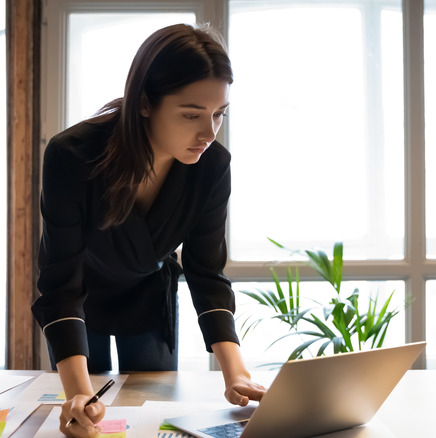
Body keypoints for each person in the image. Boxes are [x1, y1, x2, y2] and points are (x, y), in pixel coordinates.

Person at [31, 23, 266, 438]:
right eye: (191, 114)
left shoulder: (213, 166)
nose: (209, 133)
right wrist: (78, 400)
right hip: (81, 299)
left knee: (152, 413)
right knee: (88, 412)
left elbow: (206, 271)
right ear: (144, 103)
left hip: (149, 295)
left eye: (219, 114)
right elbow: (60, 282)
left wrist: (237, 374)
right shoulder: (72, 155)